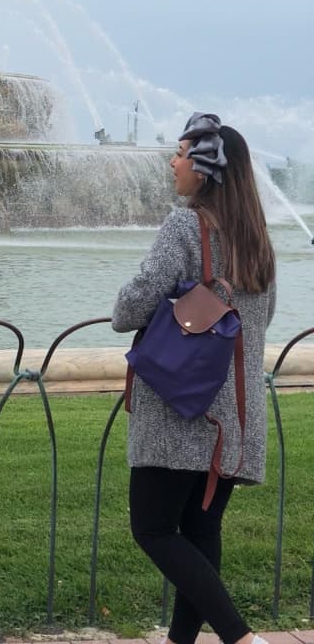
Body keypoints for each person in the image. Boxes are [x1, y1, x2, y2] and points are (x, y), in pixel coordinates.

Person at [112, 112, 276, 644]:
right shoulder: (257, 242)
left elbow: (135, 302)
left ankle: (239, 637)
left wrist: (127, 308)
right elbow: (261, 320)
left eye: (181, 153)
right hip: (235, 417)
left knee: (154, 529)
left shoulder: (186, 225)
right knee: (200, 534)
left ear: (204, 170)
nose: (173, 162)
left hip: (184, 410)